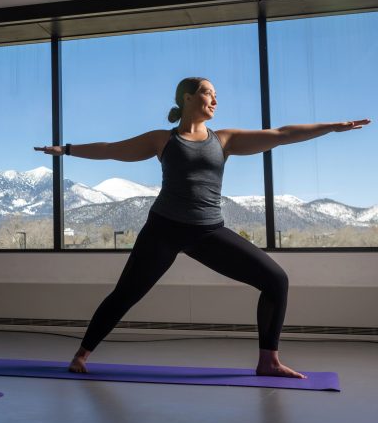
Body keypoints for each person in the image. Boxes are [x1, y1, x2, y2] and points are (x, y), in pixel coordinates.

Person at [35, 77, 369, 378]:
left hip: (207, 231)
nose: (215, 100)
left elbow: (281, 135)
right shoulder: (161, 140)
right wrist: (66, 149)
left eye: (215, 94)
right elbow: (111, 150)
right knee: (126, 293)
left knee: (276, 280)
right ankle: (81, 355)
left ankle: (268, 360)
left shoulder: (224, 139)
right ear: (188, 98)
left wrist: (330, 127)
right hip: (163, 229)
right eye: (209, 93)